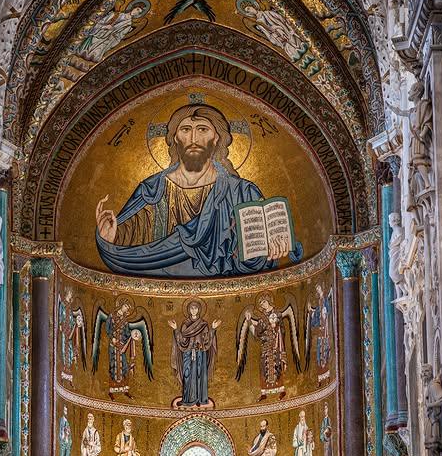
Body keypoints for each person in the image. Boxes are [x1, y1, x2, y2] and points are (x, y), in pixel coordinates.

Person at [95, 104, 301, 277]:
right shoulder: (152, 191)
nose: (193, 137)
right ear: (175, 138)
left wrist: (274, 249)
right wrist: (109, 239)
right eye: (185, 129)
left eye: (202, 129)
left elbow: (250, 262)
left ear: (217, 138)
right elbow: (131, 250)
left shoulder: (242, 192)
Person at [169, 299, 220, 408]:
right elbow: (182, 340)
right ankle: (188, 399)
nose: (193, 310)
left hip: (200, 354)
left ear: (199, 309)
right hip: (188, 353)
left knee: (200, 375)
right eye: (191, 308)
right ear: (188, 310)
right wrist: (175, 330)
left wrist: (213, 329)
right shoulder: (185, 324)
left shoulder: (203, 324)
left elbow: (207, 341)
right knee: (188, 375)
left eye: (195, 308)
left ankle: (200, 399)